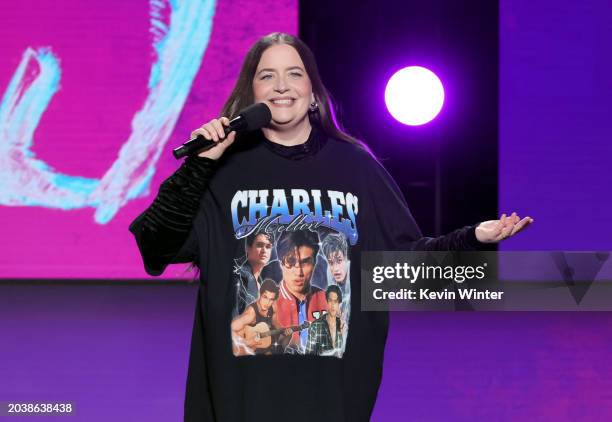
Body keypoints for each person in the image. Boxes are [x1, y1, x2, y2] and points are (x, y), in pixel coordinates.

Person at [129, 32, 533, 421]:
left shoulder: (355, 167)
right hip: (241, 395)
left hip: (329, 393)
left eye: (294, 73)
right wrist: (200, 164)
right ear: (251, 95)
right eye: (266, 76)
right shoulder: (224, 170)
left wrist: (472, 237)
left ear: (313, 94)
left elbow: (400, 264)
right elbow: (155, 246)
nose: (281, 86)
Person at [273, 230, 328, 352]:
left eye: (305, 262)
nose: (299, 273)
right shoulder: (266, 305)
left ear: (314, 263)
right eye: (291, 262)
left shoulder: (329, 301)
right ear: (280, 263)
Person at [231, 278, 286, 355]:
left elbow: (275, 323)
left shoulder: (273, 307)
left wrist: (284, 331)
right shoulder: (251, 313)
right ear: (260, 294)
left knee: (287, 337)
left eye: (271, 299)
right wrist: (246, 342)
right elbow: (230, 328)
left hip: (264, 341)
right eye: (265, 297)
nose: (267, 302)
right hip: (250, 347)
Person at [233, 231, 274, 316]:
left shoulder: (261, 283)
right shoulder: (237, 280)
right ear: (247, 248)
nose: (264, 250)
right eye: (259, 245)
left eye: (268, 246)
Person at [305, 285, 344, 357]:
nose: (332, 305)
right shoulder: (315, 326)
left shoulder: (343, 326)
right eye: (330, 301)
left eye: (335, 301)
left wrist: (343, 334)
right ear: (326, 302)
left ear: (339, 304)